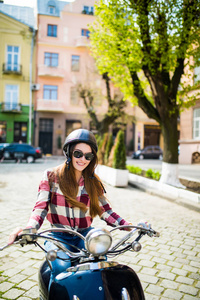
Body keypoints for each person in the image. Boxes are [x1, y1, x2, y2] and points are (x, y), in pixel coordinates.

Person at [8, 129, 131, 277]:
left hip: (85, 234)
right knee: (61, 266)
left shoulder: (93, 182)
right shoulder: (51, 176)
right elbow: (40, 208)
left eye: (88, 156)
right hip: (58, 236)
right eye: (78, 154)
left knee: (99, 263)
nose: (83, 159)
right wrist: (29, 229)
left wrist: (128, 226)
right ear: (69, 153)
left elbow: (105, 211)